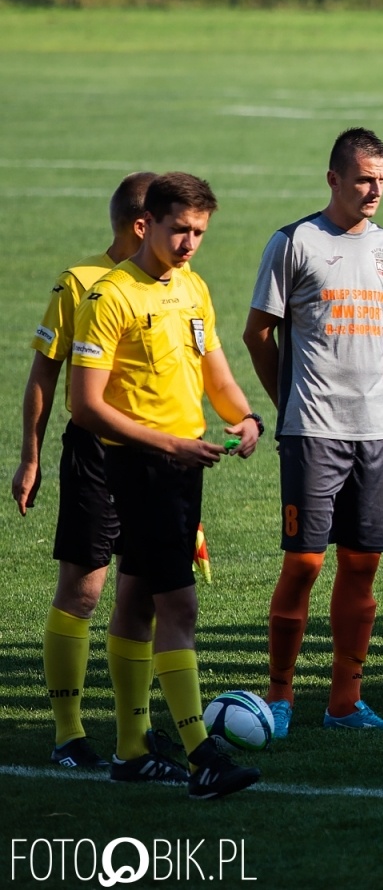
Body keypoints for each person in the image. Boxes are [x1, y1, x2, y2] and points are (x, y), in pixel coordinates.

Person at [70, 172, 264, 798]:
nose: (188, 243)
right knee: (179, 605)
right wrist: (169, 444)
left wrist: (244, 415)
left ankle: (131, 750)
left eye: (199, 232)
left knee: (137, 600)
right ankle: (200, 753)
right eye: (179, 229)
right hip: (143, 465)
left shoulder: (193, 289)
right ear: (145, 224)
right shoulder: (110, 297)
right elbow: (85, 406)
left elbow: (215, 370)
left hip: (183, 465)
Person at [243, 128, 383, 738]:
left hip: (374, 430)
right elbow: (259, 334)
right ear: (334, 178)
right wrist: (286, 403)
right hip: (312, 428)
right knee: (305, 563)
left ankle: (345, 700)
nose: (374, 190)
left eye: (382, 180)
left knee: (363, 564)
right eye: (364, 179)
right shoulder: (294, 243)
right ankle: (279, 698)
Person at [15, 171, 153, 770]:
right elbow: (45, 373)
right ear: (141, 225)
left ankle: (137, 733)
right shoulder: (80, 282)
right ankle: (69, 734)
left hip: (156, 457)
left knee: (145, 591)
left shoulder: (171, 284)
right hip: (96, 453)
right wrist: (30, 455)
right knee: (85, 588)